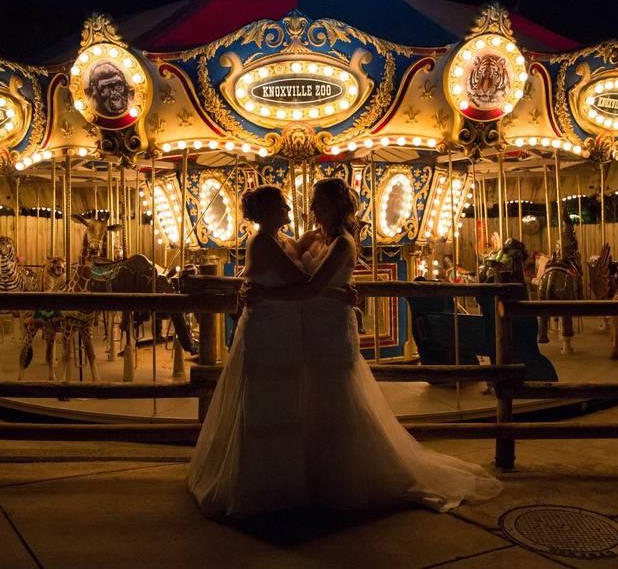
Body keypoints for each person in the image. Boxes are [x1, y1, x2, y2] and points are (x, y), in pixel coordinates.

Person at [248, 177, 502, 513]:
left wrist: (274, 293)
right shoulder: (312, 237)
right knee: (311, 401)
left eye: (320, 203)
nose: (313, 209)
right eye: (314, 203)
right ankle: (313, 475)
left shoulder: (343, 244)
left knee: (336, 398)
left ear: (336, 207)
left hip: (331, 327)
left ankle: (344, 478)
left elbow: (311, 286)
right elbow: (283, 253)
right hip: (307, 329)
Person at [186, 185, 355, 517]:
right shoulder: (265, 241)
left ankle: (287, 480)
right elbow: (302, 283)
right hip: (269, 329)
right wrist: (336, 295)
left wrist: (337, 293)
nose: (296, 211)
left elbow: (309, 274)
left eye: (316, 203)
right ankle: (261, 484)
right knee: (266, 402)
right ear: (267, 212)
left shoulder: (287, 239)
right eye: (284, 207)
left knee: (288, 404)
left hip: (291, 331)